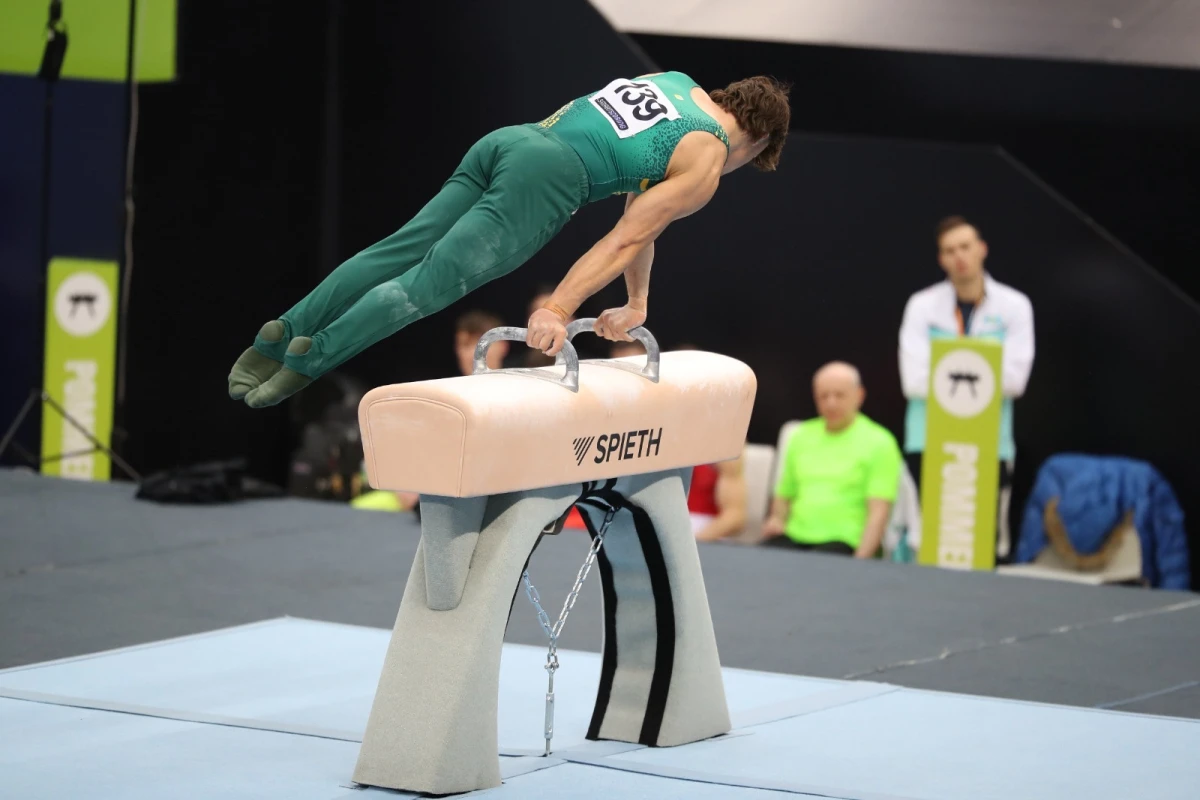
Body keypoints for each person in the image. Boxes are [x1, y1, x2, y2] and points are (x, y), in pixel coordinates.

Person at [228, 72, 792, 407]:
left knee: (394, 250)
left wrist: (637, 302)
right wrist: (558, 308)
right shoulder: (710, 157)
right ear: (759, 139)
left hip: (510, 141)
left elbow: (641, 221)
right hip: (547, 181)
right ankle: (308, 362)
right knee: (424, 286)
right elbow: (623, 238)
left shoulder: (675, 84)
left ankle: (280, 334)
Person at [898, 215, 1034, 560]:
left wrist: (945, 363)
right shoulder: (921, 306)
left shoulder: (1015, 307)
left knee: (984, 546)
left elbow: (1015, 382)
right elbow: (912, 382)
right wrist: (986, 365)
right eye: (949, 250)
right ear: (941, 259)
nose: (959, 256)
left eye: (965, 247)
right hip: (927, 441)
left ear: (981, 249)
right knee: (926, 543)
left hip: (990, 445)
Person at [762, 362, 903, 558]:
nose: (831, 403)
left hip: (843, 542)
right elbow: (784, 494)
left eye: (839, 395)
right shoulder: (800, 435)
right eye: (824, 396)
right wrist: (777, 519)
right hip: (794, 537)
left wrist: (860, 562)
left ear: (859, 395)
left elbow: (878, 513)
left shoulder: (880, 442)